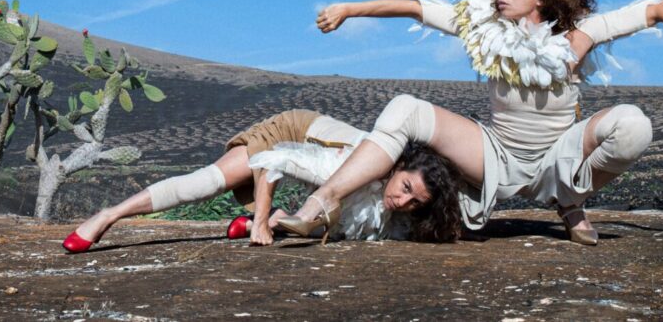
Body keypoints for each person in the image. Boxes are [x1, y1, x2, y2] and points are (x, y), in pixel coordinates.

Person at [278, 0, 663, 245]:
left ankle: (570, 201)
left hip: (558, 155)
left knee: (634, 125)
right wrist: (349, 9)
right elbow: (417, 9)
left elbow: (655, 10)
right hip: (494, 154)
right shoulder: (485, 30)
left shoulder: (579, 34)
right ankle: (323, 203)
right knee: (405, 108)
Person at [62, 110, 463, 253]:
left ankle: (273, 217)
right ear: (398, 167)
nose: (402, 201)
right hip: (286, 133)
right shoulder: (354, 161)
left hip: (305, 149)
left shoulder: (397, 199)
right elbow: (275, 162)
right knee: (205, 184)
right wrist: (259, 224)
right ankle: (108, 216)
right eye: (406, 188)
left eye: (415, 202)